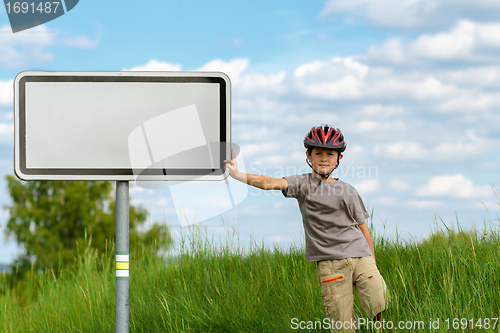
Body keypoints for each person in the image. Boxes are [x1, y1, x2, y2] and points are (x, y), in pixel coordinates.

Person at [224, 124, 387, 332]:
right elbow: (270, 182)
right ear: (309, 156)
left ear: (339, 159)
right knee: (343, 325)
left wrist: (373, 261)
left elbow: (363, 228)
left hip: (361, 257)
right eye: (318, 153)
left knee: (380, 303)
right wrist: (237, 175)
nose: (324, 158)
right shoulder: (302, 184)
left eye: (330, 154)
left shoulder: (348, 190)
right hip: (331, 264)